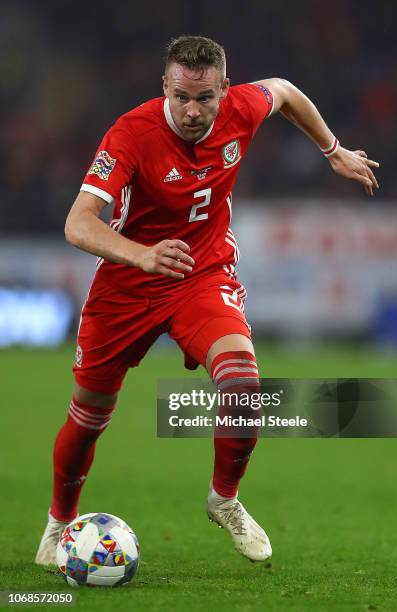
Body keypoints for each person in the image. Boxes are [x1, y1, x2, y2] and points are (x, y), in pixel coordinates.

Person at [35, 35, 379, 565]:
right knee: (89, 414)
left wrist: (332, 151)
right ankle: (59, 525)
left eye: (205, 98)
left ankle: (225, 499)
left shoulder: (244, 106)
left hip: (201, 273)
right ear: (165, 89)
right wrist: (142, 255)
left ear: (224, 89)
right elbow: (78, 223)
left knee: (243, 383)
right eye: (181, 98)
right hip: (127, 282)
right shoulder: (131, 133)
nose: (193, 111)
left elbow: (284, 92)